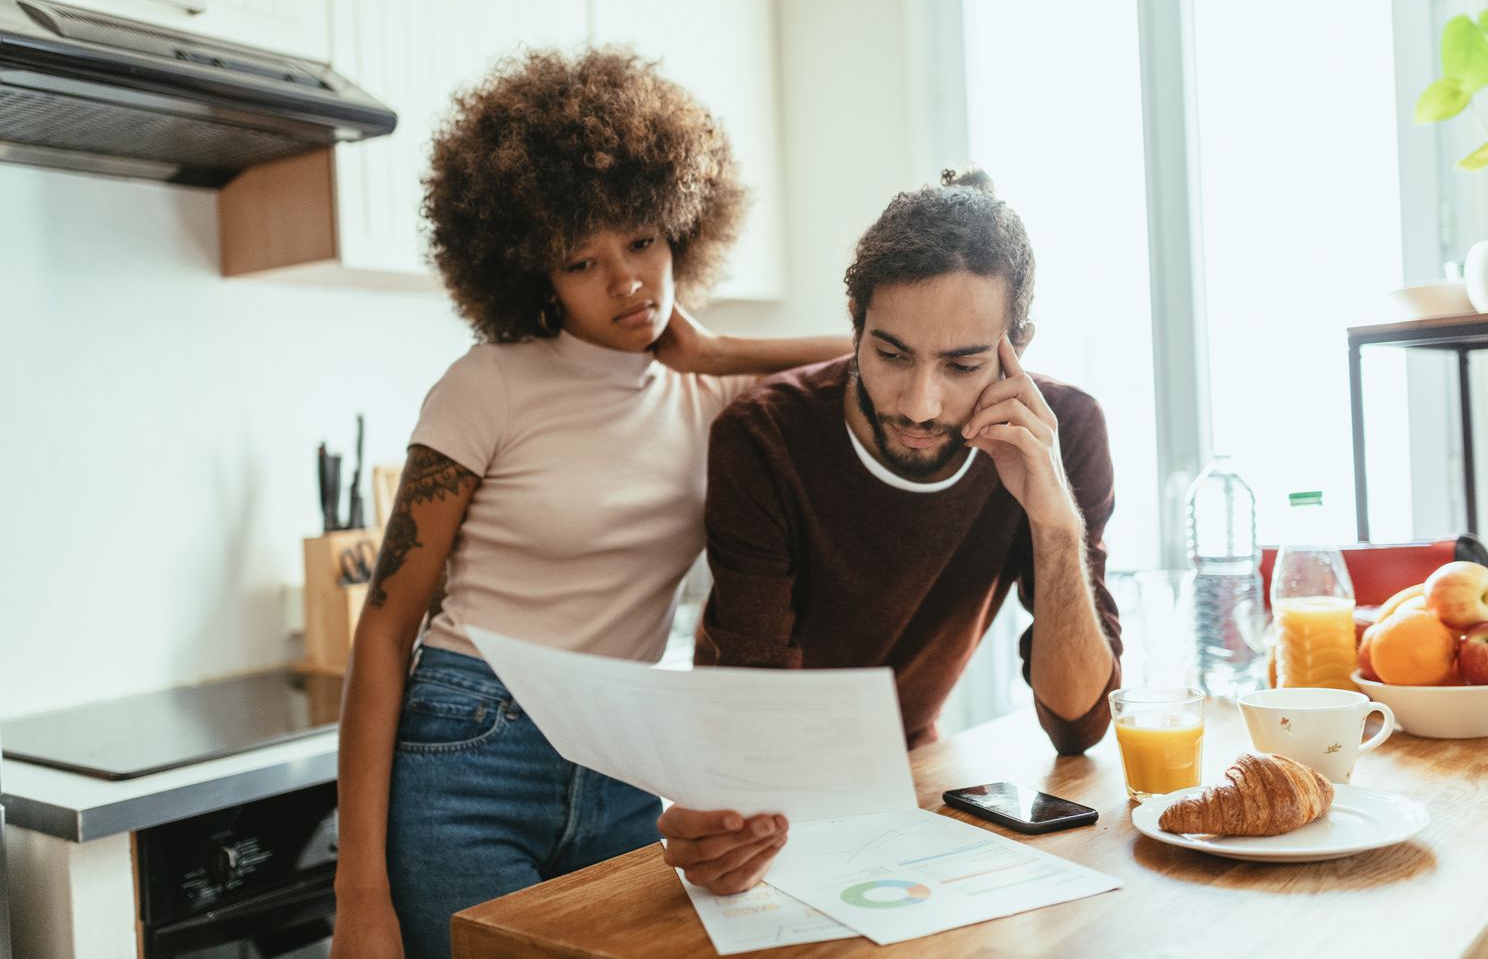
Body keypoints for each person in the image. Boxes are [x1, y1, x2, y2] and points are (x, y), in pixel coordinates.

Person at [330, 48, 847, 959]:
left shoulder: (712, 397)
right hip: (468, 754)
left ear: (684, 223)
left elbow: (894, 362)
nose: (629, 282)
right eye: (583, 259)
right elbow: (383, 628)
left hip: (623, 763)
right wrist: (358, 896)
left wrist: (719, 352)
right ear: (535, 273)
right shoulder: (486, 385)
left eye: (643, 240)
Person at [658, 169, 1124, 895]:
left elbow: (1077, 724)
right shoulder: (763, 437)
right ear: (854, 319)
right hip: (777, 792)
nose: (919, 403)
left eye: (964, 364)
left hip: (909, 780)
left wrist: (1055, 523)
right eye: (891, 354)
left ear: (1016, 348)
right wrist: (733, 820)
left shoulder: (1064, 435)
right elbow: (749, 703)